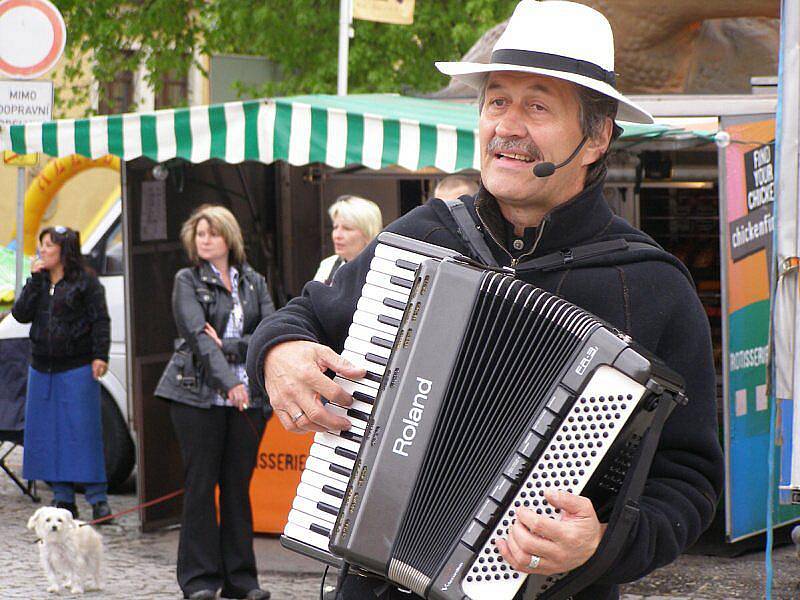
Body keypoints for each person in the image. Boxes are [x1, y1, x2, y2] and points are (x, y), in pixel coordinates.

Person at [246, 2, 724, 599]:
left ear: (598, 137)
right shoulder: (424, 235)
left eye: (537, 105)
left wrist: (602, 543)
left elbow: (690, 482)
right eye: (496, 101)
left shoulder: (651, 283)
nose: (507, 125)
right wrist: (279, 352)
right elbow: (307, 315)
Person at [154, 205, 274, 600]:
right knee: (201, 486)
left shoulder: (254, 282)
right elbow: (198, 339)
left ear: (229, 237)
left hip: (247, 399)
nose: (204, 240)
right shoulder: (187, 280)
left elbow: (268, 333)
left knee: (237, 488)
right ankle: (200, 580)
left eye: (212, 233)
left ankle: (242, 581)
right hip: (197, 396)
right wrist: (229, 384)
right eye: (199, 234)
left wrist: (235, 347)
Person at [12, 226, 113, 522]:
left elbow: (100, 321)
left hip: (77, 366)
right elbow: (20, 314)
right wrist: (32, 279)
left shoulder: (87, 283)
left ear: (64, 250)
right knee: (50, 433)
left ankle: (98, 499)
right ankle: (62, 497)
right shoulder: (40, 283)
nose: (42, 250)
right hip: (42, 366)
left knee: (82, 433)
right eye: (41, 244)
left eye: (48, 245)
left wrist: (100, 355)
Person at [313, 195, 382, 284]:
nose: (337, 235)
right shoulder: (328, 265)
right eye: (335, 227)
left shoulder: (382, 270)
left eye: (347, 228)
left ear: (368, 234)